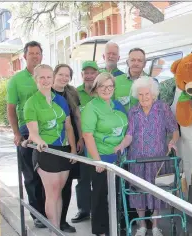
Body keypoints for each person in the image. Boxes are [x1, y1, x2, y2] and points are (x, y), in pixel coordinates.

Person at [115, 77, 179, 236]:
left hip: (158, 160)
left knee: (157, 193)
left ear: (154, 94)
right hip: (137, 160)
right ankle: (142, 225)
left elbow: (174, 130)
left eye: (147, 94)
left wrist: (172, 142)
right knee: (138, 193)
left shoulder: (162, 108)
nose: (144, 98)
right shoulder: (133, 112)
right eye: (141, 94)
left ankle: (156, 226)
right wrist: (121, 145)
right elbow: (129, 136)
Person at [23, 64, 77, 234]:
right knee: (52, 193)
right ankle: (54, 231)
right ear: (36, 80)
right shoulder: (31, 103)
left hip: (64, 149)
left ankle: (57, 228)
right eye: (42, 77)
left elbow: (68, 126)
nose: (46, 81)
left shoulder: (61, 100)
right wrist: (40, 142)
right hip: (46, 151)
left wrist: (73, 149)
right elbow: (33, 132)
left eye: (48, 77)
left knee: (59, 192)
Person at [81, 72, 128, 236]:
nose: (106, 89)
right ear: (96, 87)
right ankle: (101, 230)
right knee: (100, 194)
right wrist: (97, 161)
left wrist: (122, 146)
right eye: (102, 86)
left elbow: (127, 129)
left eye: (110, 86)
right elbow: (87, 135)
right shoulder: (91, 107)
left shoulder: (117, 105)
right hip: (100, 158)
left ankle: (116, 226)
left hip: (120, 159)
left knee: (118, 194)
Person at [6, 41, 46, 228]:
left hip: (47, 128)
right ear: (25, 56)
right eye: (32, 53)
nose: (35, 56)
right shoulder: (16, 80)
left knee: (47, 174)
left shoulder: (46, 74)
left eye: (38, 53)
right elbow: (11, 108)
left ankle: (50, 213)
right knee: (31, 175)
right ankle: (37, 214)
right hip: (26, 129)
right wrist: (16, 133)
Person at [51, 64, 81, 233]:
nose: (63, 78)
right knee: (51, 186)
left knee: (67, 183)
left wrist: (81, 138)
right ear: (54, 75)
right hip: (52, 143)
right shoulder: (47, 93)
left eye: (67, 75)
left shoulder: (72, 93)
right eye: (61, 74)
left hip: (70, 143)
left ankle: (62, 221)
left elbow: (77, 117)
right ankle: (50, 220)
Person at [71, 61, 98, 223]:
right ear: (82, 75)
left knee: (100, 177)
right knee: (82, 178)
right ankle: (83, 210)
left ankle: (101, 208)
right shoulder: (75, 93)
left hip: (100, 142)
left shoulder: (102, 91)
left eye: (92, 72)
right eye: (85, 73)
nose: (89, 76)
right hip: (82, 141)